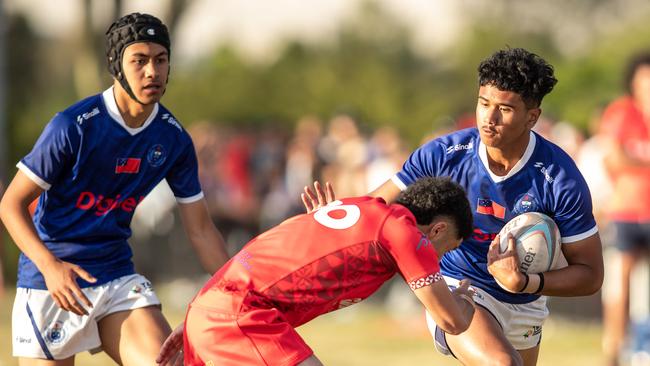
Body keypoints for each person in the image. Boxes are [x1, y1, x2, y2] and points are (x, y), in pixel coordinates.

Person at [303, 47, 604, 366]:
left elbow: (590, 274)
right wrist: (332, 222)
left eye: (504, 108)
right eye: (483, 103)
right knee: (503, 364)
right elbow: (377, 207)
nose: (489, 119)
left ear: (533, 116)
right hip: (457, 287)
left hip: (526, 302)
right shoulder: (444, 155)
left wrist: (526, 282)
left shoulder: (560, 178)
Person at [0, 12, 229, 365]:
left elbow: (200, 229)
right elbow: (10, 205)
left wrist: (239, 289)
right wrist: (50, 266)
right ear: (116, 65)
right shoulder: (71, 126)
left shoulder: (173, 139)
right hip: (53, 280)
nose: (152, 71)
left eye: (161, 59)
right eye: (139, 60)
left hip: (115, 275)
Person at [155, 177, 477, 366]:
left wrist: (201, 315)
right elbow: (451, 321)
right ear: (437, 229)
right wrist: (462, 300)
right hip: (240, 316)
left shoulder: (363, 207)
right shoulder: (404, 233)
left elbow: (270, 250)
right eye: (446, 250)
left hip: (216, 308)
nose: (441, 259)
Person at [600, 51, 650, 366]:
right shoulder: (622, 112)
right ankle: (614, 351)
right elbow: (613, 157)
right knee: (621, 281)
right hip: (628, 211)